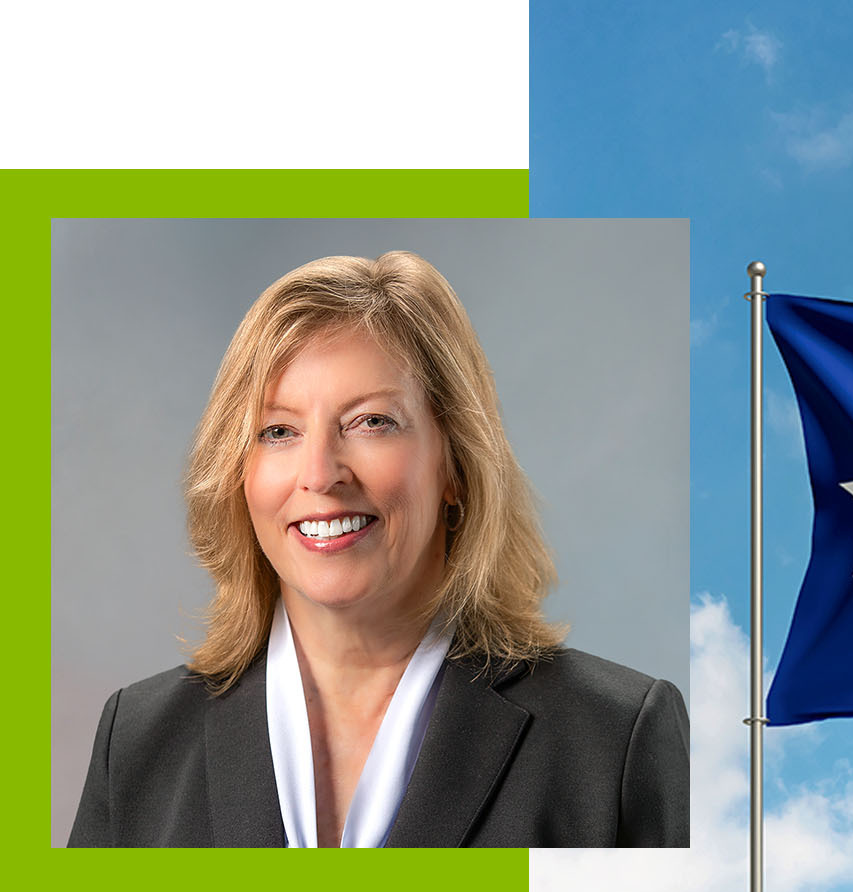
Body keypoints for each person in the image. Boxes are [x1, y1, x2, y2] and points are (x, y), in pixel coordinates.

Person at [68, 251, 689, 848]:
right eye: (278, 431)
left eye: (371, 422)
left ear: (455, 464)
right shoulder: (139, 741)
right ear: (238, 472)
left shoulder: (615, 741)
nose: (319, 473)